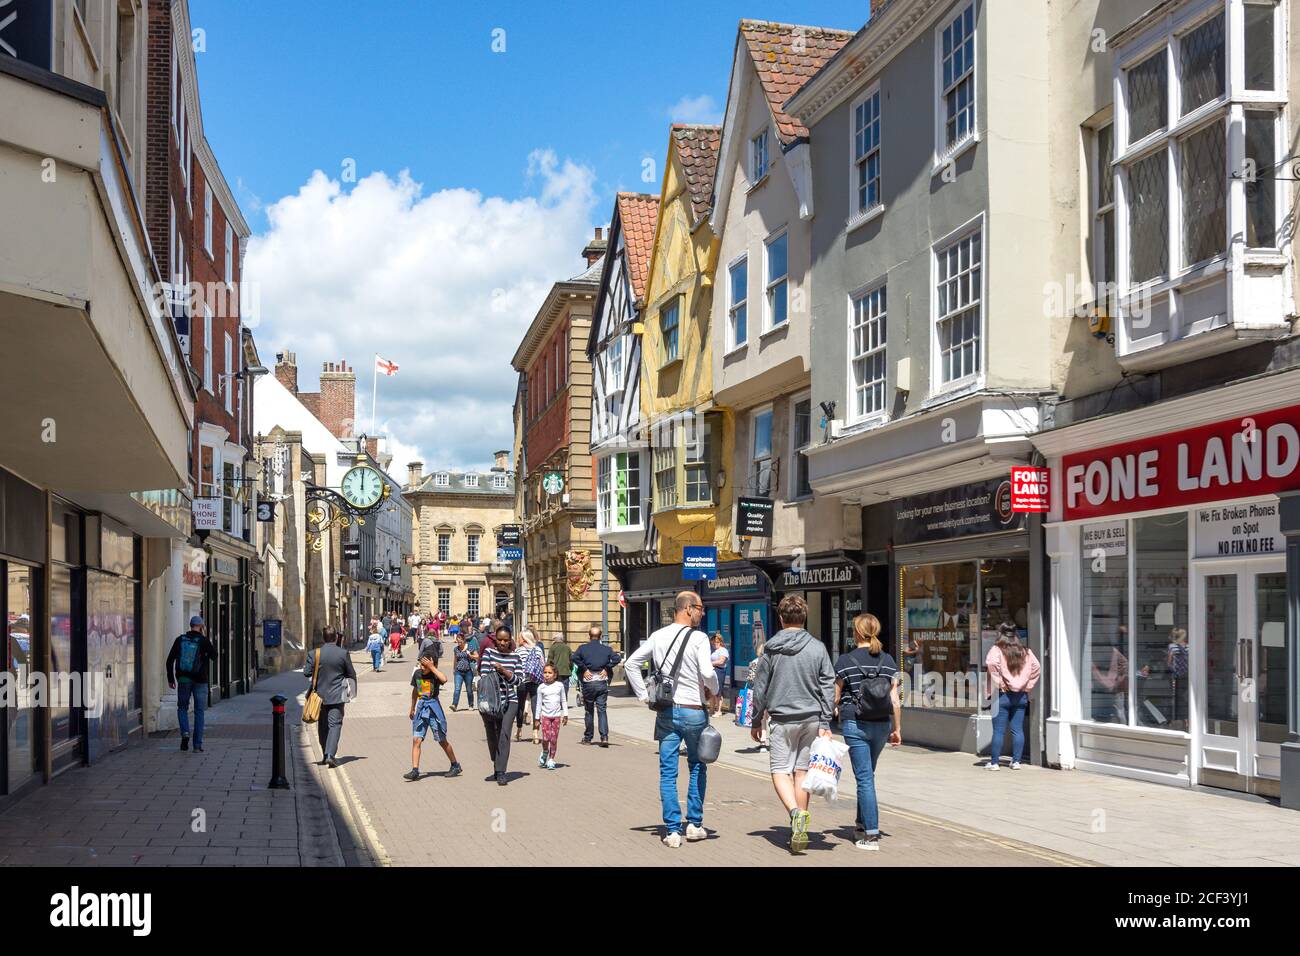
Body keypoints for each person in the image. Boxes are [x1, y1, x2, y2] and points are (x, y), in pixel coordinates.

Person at [625, 592, 717, 848]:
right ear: (687, 609)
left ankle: (673, 831)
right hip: (693, 710)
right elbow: (708, 672)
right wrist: (715, 689)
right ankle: (695, 825)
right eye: (700, 608)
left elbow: (631, 663)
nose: (703, 612)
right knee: (698, 766)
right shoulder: (699, 638)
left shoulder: (658, 636)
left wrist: (644, 696)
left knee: (668, 772)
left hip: (666, 711)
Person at [747, 594, 836, 855]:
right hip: (811, 719)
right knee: (801, 772)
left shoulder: (771, 648)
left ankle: (796, 814)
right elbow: (827, 684)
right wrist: (825, 720)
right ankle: (801, 828)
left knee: (779, 770)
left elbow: (760, 687)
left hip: (782, 719)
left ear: (781, 618)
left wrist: (755, 719)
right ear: (804, 617)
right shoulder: (817, 647)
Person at [833, 613, 902, 851]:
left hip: (855, 723)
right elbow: (895, 700)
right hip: (882, 724)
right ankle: (861, 825)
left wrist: (831, 710)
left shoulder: (845, 660)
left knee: (864, 778)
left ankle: (871, 834)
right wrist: (897, 729)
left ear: (857, 633)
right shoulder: (889, 661)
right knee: (867, 776)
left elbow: (836, 695)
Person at [985, 623, 1041, 770]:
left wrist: (999, 682)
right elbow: (1037, 667)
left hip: (1002, 695)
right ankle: (1016, 762)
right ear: (1016, 636)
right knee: (1017, 729)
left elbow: (990, 663)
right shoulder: (1025, 651)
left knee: (998, 730)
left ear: (1000, 635)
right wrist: (1027, 686)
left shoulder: (996, 650)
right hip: (1020, 695)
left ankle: (995, 763)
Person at [404, 651, 463, 780]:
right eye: (421, 664)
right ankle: (415, 770)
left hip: (433, 708)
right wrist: (412, 707)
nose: (422, 667)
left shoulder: (435, 675)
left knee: (442, 740)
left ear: (432, 664)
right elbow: (415, 691)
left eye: (425, 665)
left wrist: (432, 668)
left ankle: (455, 765)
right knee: (416, 739)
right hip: (421, 708)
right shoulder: (417, 674)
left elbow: (444, 679)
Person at [303, 632, 358, 768]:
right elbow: (351, 673)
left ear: (323, 638)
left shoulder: (314, 653)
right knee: (335, 725)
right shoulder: (343, 653)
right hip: (337, 695)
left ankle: (324, 755)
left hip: (318, 697)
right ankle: (330, 755)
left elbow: (306, 672)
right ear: (335, 638)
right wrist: (353, 693)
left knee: (322, 726)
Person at [165, 615, 218, 753]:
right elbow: (214, 656)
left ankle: (185, 733)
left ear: (190, 625)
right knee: (199, 711)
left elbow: (169, 660)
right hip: (200, 680)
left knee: (182, 708)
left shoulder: (180, 640)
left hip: (183, 679)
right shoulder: (203, 640)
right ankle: (197, 745)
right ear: (201, 626)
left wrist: (171, 679)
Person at [479, 625, 522, 786]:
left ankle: (501, 772)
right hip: (491, 701)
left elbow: (519, 680)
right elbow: (483, 675)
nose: (503, 643)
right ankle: (496, 762)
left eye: (506, 640)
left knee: (504, 734)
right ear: (495, 640)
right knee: (492, 734)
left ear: (510, 640)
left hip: (510, 700)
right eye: (500, 639)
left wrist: (504, 671)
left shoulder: (516, 657)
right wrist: (494, 673)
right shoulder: (489, 653)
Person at [571, 624, 622, 747]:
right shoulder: (606, 649)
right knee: (602, 710)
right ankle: (604, 737)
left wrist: (584, 669)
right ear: (600, 636)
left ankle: (588, 738)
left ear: (589, 636)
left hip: (588, 682)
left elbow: (574, 657)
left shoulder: (583, 648)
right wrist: (607, 667)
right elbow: (617, 658)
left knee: (589, 711)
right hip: (601, 682)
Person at [534, 663, 569, 770]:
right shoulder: (541, 687)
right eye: (545, 672)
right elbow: (539, 703)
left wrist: (565, 714)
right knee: (546, 738)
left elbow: (563, 700)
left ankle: (551, 759)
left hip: (556, 717)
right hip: (545, 716)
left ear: (555, 674)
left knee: (553, 739)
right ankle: (545, 752)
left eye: (550, 673)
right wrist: (537, 718)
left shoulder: (560, 686)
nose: (547, 675)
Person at [515, 628, 544, 744]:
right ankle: (536, 733)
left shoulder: (518, 651)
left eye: (520, 637)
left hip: (522, 681)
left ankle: (519, 730)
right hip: (536, 681)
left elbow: (515, 665)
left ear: (524, 639)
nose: (518, 639)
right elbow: (543, 664)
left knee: (520, 707)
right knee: (536, 707)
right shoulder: (538, 650)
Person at [451, 633, 476, 711]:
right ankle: (454, 705)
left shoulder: (469, 647)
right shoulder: (456, 649)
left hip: (468, 671)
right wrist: (454, 669)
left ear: (464, 640)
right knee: (457, 689)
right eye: (458, 642)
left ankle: (471, 704)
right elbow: (455, 659)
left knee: (469, 690)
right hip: (458, 671)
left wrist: (471, 656)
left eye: (460, 641)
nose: (459, 643)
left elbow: (477, 656)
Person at [546, 633, 572, 706]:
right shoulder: (567, 647)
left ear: (555, 639)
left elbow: (549, 660)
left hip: (556, 671)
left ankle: (556, 702)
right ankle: (564, 702)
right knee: (565, 688)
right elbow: (571, 660)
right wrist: (570, 668)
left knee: (555, 688)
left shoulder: (553, 647)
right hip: (566, 671)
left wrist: (547, 670)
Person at [708, 632, 730, 718]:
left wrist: (709, 663)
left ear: (720, 642)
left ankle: (719, 710)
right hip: (713, 671)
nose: (714, 643)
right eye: (713, 642)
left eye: (716, 642)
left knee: (718, 691)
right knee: (712, 691)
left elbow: (721, 661)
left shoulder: (723, 650)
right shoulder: (715, 651)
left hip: (720, 671)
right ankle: (712, 709)